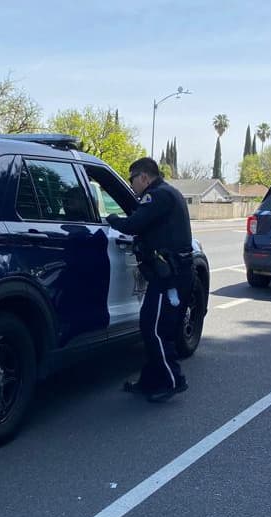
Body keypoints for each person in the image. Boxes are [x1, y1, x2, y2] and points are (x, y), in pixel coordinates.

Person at [106, 158, 193, 403]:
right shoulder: (169, 193)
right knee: (156, 327)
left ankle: (173, 381)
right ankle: (150, 381)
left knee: (154, 329)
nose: (132, 185)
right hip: (175, 275)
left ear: (144, 177)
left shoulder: (157, 196)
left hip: (170, 277)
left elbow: (133, 224)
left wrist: (110, 219)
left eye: (132, 179)